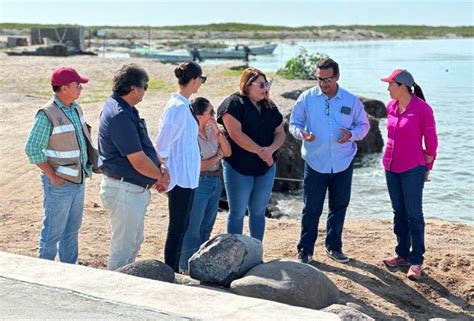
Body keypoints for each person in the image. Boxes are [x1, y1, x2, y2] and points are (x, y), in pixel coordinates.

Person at [289, 58, 370, 264]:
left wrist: (351, 135)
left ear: (337, 77)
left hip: (343, 162)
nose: (324, 83)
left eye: (328, 79)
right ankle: (305, 250)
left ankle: (334, 247)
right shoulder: (306, 98)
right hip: (315, 162)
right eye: (320, 79)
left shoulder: (351, 100)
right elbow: (293, 123)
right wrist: (301, 133)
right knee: (311, 208)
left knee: (339, 206)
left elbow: (364, 126)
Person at [98, 63, 168, 271]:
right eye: (145, 86)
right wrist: (159, 177)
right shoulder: (119, 114)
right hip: (124, 190)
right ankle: (114, 293)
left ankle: (121, 287)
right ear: (134, 88)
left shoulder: (127, 110)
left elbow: (144, 145)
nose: (146, 90)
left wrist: (160, 168)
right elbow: (137, 159)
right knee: (123, 247)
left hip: (130, 189)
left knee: (133, 242)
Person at [25, 66, 97, 264]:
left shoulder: (76, 108)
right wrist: (52, 176)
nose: (81, 88)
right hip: (60, 185)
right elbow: (32, 148)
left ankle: (69, 271)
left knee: (71, 232)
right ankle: (44, 275)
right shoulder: (46, 114)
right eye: (77, 85)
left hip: (78, 180)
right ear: (64, 88)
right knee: (52, 234)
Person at [380, 69, 438, 281]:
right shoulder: (391, 106)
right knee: (398, 212)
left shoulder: (422, 109)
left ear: (403, 86)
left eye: (391, 85)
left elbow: (431, 143)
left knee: (414, 214)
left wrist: (427, 168)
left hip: (413, 168)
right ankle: (402, 253)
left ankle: (416, 260)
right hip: (391, 166)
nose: (388, 88)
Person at [217, 67, 285, 241]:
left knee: (258, 211)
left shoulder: (269, 106)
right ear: (247, 86)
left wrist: (270, 150)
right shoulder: (233, 104)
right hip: (238, 166)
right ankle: (234, 253)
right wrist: (260, 151)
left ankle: (256, 251)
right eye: (261, 85)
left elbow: (280, 132)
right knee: (238, 212)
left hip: (266, 166)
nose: (266, 88)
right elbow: (236, 134)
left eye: (267, 84)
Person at [155, 61, 206, 272]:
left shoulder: (184, 105)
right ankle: (170, 269)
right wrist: (164, 169)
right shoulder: (177, 107)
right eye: (201, 80)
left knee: (182, 225)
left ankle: (173, 268)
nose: (201, 84)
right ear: (194, 80)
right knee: (177, 226)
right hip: (178, 176)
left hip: (187, 175)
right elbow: (162, 144)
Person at [178, 97, 232, 273]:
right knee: (193, 226)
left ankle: (199, 265)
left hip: (216, 180)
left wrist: (217, 131)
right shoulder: (191, 134)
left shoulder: (211, 129)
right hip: (200, 182)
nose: (214, 115)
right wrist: (217, 157)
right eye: (211, 112)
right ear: (200, 116)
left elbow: (228, 151)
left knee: (207, 225)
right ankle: (185, 266)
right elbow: (198, 165)